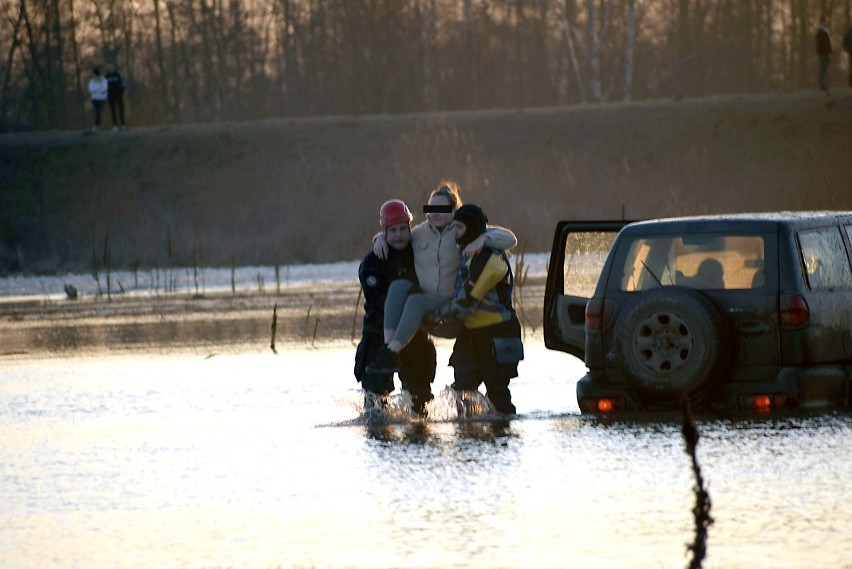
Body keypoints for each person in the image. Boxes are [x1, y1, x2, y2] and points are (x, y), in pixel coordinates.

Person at [366, 181, 517, 375]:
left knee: (415, 300)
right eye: (431, 208)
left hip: (450, 307)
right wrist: (379, 238)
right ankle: (388, 353)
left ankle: (391, 352)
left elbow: (510, 238)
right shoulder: (418, 234)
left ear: (454, 210)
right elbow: (396, 233)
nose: (435, 213)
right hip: (427, 307)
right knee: (399, 287)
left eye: (442, 208)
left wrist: (482, 239)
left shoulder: (463, 232)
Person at [436, 204, 524, 415]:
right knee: (462, 393)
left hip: (498, 334)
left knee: (498, 394)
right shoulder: (468, 253)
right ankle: (468, 442)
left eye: (459, 227)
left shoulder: (489, 260)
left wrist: (432, 319)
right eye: (453, 227)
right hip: (470, 334)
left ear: (473, 228)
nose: (454, 232)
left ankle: (503, 439)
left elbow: (466, 304)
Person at [355, 199, 437, 416]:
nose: (399, 235)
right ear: (384, 231)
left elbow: (440, 231)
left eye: (403, 229)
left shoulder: (418, 251)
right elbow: (377, 302)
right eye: (393, 231)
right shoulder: (372, 262)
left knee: (420, 399)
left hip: (414, 334)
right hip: (378, 335)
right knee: (375, 403)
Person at [105, 63, 126, 130]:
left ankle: (123, 125)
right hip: (110, 96)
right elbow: (104, 87)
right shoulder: (106, 77)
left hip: (119, 95)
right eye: (108, 68)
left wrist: (122, 92)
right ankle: (115, 125)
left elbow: (123, 84)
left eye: (111, 67)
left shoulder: (118, 75)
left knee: (121, 110)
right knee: (113, 111)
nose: (109, 69)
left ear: (114, 68)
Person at [816, 16, 833, 93]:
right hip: (823, 53)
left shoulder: (824, 31)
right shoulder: (821, 32)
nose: (826, 23)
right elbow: (822, 44)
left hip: (825, 52)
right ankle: (822, 85)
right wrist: (825, 51)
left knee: (824, 69)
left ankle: (824, 84)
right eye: (825, 21)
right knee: (823, 69)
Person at [843, 21, 852, 87]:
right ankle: (850, 85)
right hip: (851, 53)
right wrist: (848, 50)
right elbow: (844, 43)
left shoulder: (848, 33)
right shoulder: (848, 33)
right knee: (851, 69)